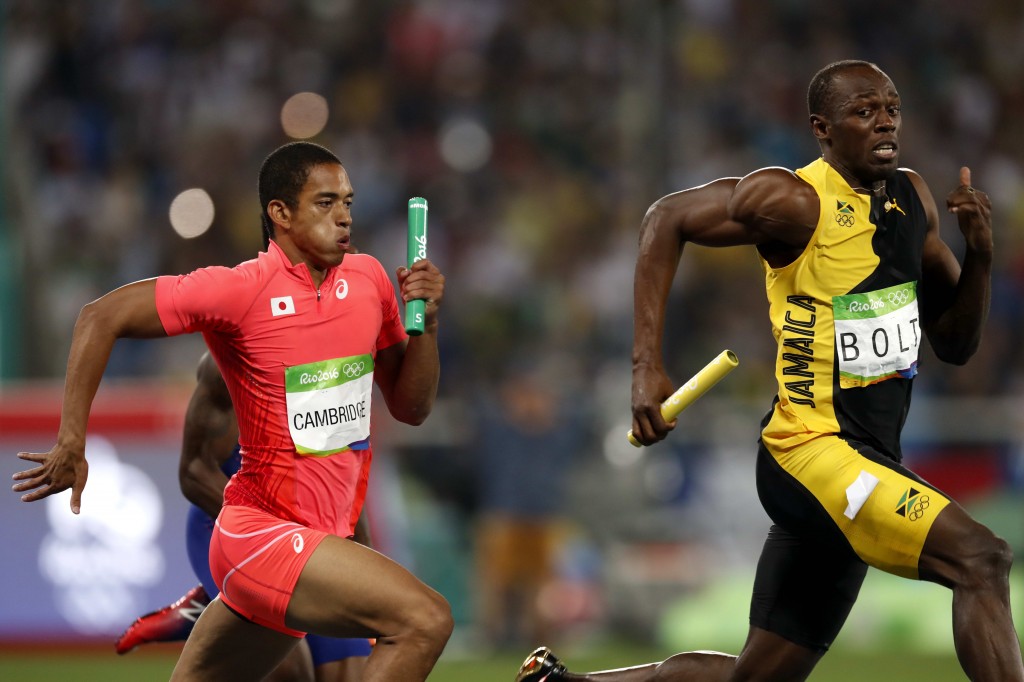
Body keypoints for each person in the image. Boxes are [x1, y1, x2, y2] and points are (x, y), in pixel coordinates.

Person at [515, 59, 1024, 681]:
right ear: (823, 129)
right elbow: (665, 218)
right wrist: (647, 364)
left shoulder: (912, 199)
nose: (885, 122)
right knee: (983, 558)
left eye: (891, 108)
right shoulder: (794, 200)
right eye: (864, 112)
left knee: (757, 679)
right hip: (810, 452)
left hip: (869, 461)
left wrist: (982, 255)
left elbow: (957, 344)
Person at [13, 140, 454, 681]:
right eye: (325, 203)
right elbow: (99, 316)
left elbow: (411, 407)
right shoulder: (241, 290)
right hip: (262, 535)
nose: (344, 217)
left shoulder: (369, 283)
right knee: (424, 619)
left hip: (319, 540)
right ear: (280, 213)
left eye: (348, 202)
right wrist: (71, 441)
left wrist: (427, 326)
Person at [116, 351, 373, 682]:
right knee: (288, 671)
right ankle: (219, 605)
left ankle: (205, 609)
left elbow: (347, 488)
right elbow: (194, 472)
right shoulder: (235, 359)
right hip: (231, 523)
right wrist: (273, 541)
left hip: (307, 536)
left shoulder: (339, 370)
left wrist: (365, 579)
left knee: (347, 675)